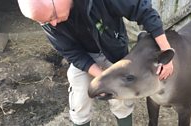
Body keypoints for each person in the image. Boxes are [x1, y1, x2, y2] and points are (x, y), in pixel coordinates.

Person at [17, 0, 174, 126]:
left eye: (53, 16)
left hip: (114, 51)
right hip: (85, 58)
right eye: (45, 22)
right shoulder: (49, 21)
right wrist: (102, 78)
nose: (54, 24)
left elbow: (143, 11)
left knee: (121, 98)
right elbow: (72, 53)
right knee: (79, 99)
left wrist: (167, 53)